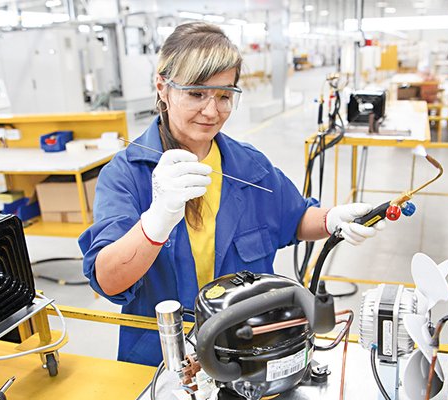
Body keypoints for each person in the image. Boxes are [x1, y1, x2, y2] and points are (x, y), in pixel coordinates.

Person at [79, 22, 387, 366]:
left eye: (224, 96)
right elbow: (108, 280)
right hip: (161, 360)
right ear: (162, 88)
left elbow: (294, 218)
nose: (212, 111)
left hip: (245, 350)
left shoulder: (247, 165)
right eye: (196, 94)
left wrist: (332, 220)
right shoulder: (125, 175)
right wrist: (156, 222)